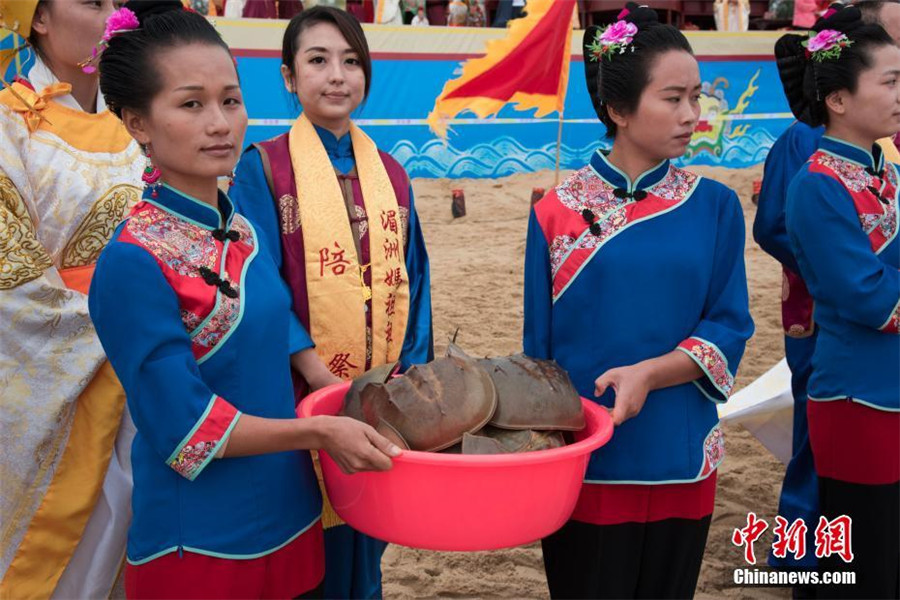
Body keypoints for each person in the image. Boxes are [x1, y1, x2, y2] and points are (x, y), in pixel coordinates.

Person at [88, 2, 401, 598]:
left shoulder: (244, 231)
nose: (220, 123)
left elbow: (273, 334)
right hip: (204, 542)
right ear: (136, 122)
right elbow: (186, 430)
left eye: (230, 100)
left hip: (294, 517)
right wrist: (317, 433)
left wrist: (326, 388)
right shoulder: (132, 261)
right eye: (191, 104)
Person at [525, 4, 754, 598]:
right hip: (588, 458)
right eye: (673, 98)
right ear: (619, 110)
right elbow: (538, 356)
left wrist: (651, 373)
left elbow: (730, 325)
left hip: (682, 451)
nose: (692, 116)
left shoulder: (715, 206)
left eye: (696, 97)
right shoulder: (554, 211)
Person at [229, 6, 433, 598]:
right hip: (301, 389)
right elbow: (258, 282)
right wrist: (318, 375)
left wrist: (407, 370)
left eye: (351, 61)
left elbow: (414, 278)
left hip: (382, 387)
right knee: (312, 537)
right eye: (317, 61)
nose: (337, 75)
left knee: (369, 532)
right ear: (290, 77)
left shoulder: (392, 173)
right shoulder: (263, 169)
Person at [0, 0, 143, 597]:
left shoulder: (142, 122)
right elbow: (13, 273)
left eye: (118, 2)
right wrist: (120, 327)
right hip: (76, 364)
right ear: (38, 19)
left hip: (147, 368)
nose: (115, 16)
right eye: (93, 2)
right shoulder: (10, 126)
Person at [754, 0, 900, 583]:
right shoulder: (811, 161)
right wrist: (823, 270)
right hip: (824, 323)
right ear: (838, 92)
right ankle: (797, 566)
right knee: (815, 456)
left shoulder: (881, 167)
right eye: (888, 80)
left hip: (877, 356)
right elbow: (775, 229)